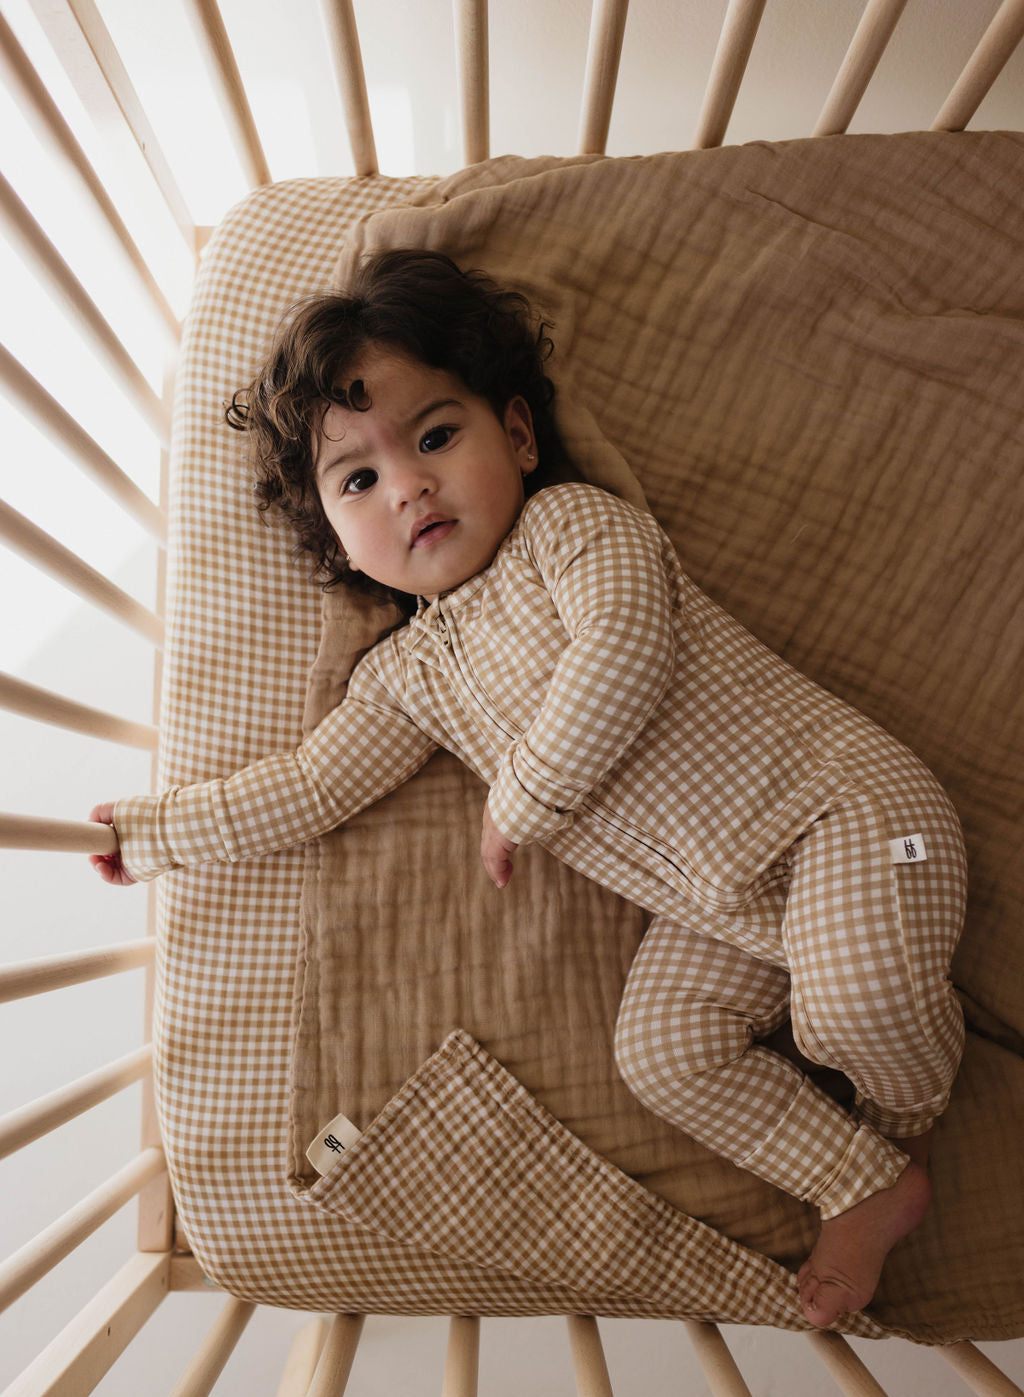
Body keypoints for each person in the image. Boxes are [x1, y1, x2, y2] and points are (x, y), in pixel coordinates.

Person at [89, 248, 966, 1329]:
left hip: (846, 818)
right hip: (728, 915)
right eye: (358, 479)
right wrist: (158, 830)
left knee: (853, 1005)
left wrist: (526, 799)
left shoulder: (573, 530)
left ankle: (909, 1107)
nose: (407, 483)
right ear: (343, 544)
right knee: (660, 1052)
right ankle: (861, 1177)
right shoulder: (405, 675)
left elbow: (626, 645)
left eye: (434, 436)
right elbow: (313, 784)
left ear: (515, 433)